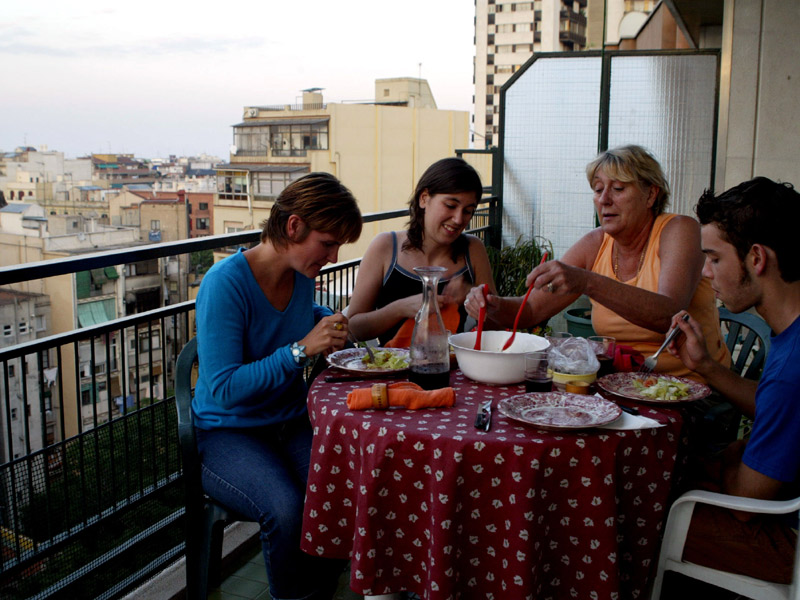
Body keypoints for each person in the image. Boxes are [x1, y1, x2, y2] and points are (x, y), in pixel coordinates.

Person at [193, 173, 362, 600]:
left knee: (339, 494)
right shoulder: (224, 283)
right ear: (293, 226)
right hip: (226, 433)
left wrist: (331, 323)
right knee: (286, 510)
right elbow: (224, 387)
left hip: (287, 422)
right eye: (327, 243)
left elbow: (302, 315)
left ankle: (319, 592)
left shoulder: (300, 274)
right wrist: (300, 351)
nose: (333, 255)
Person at [464, 144, 729, 378]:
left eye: (618, 189)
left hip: (691, 391)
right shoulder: (596, 243)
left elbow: (669, 315)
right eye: (598, 189)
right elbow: (532, 310)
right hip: (620, 386)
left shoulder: (679, 230)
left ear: (651, 195)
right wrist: (492, 305)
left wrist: (587, 281)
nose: (604, 199)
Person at [665, 176, 800, 583]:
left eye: (715, 258)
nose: (706, 273)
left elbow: (744, 504)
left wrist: (730, 458)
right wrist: (705, 366)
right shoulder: (790, 329)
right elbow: (776, 409)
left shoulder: (793, 367)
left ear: (756, 258)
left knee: (637, 512)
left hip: (788, 542)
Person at [348, 157, 496, 346]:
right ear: (424, 198)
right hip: (391, 370)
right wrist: (400, 308)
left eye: (468, 211)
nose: (459, 219)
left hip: (450, 368)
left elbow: (495, 326)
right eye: (450, 206)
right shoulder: (385, 247)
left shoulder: (473, 249)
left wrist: (478, 302)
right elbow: (353, 328)